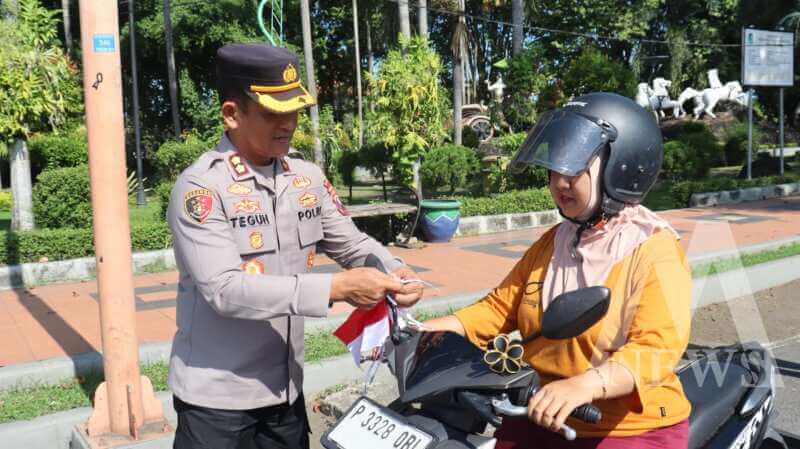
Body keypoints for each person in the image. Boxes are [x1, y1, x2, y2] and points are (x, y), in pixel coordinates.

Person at [167, 43, 423, 449]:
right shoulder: (202, 187)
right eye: (273, 113)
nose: (288, 124)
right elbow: (224, 289)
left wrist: (393, 269)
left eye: (295, 111)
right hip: (217, 400)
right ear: (232, 114)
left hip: (285, 391)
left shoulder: (305, 177)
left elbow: (350, 243)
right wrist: (336, 289)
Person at [425, 92, 692, 449]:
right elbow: (500, 308)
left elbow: (656, 348)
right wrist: (434, 330)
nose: (559, 181)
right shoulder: (556, 241)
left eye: (575, 168)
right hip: (544, 410)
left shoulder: (654, 249)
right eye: (556, 169)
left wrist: (585, 385)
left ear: (621, 168)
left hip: (629, 427)